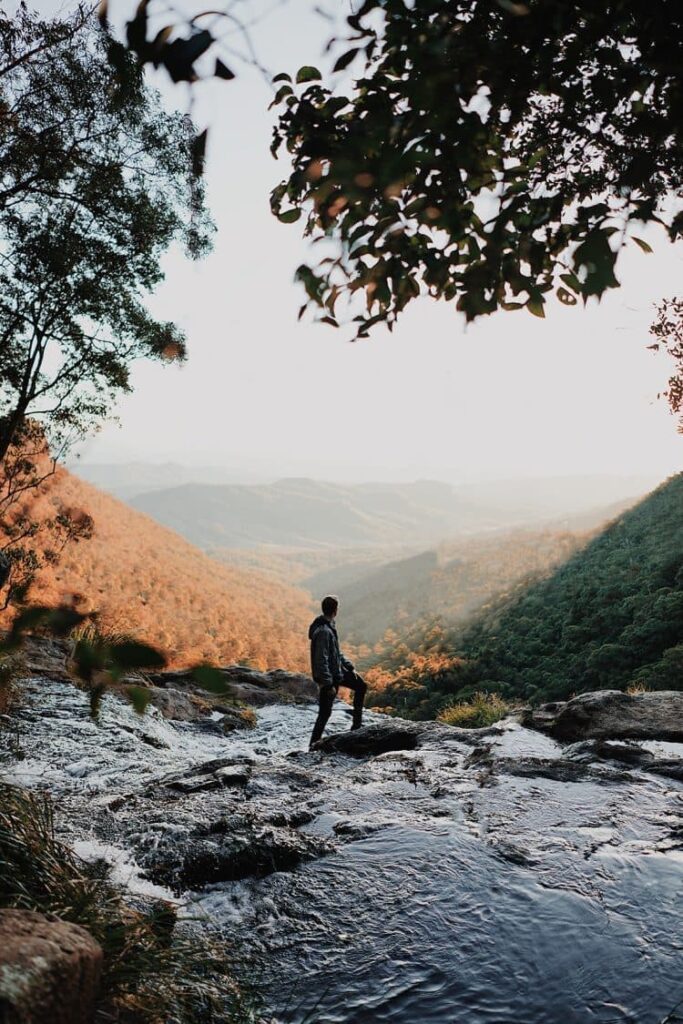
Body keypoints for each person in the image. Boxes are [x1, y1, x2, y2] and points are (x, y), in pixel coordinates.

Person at [309, 594, 367, 748]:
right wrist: (327, 685)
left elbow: (336, 652)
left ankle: (356, 727)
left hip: (338, 672)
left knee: (361, 685)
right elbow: (320, 660)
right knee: (324, 714)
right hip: (331, 678)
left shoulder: (329, 625)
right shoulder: (323, 631)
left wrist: (349, 665)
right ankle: (313, 745)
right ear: (335, 610)